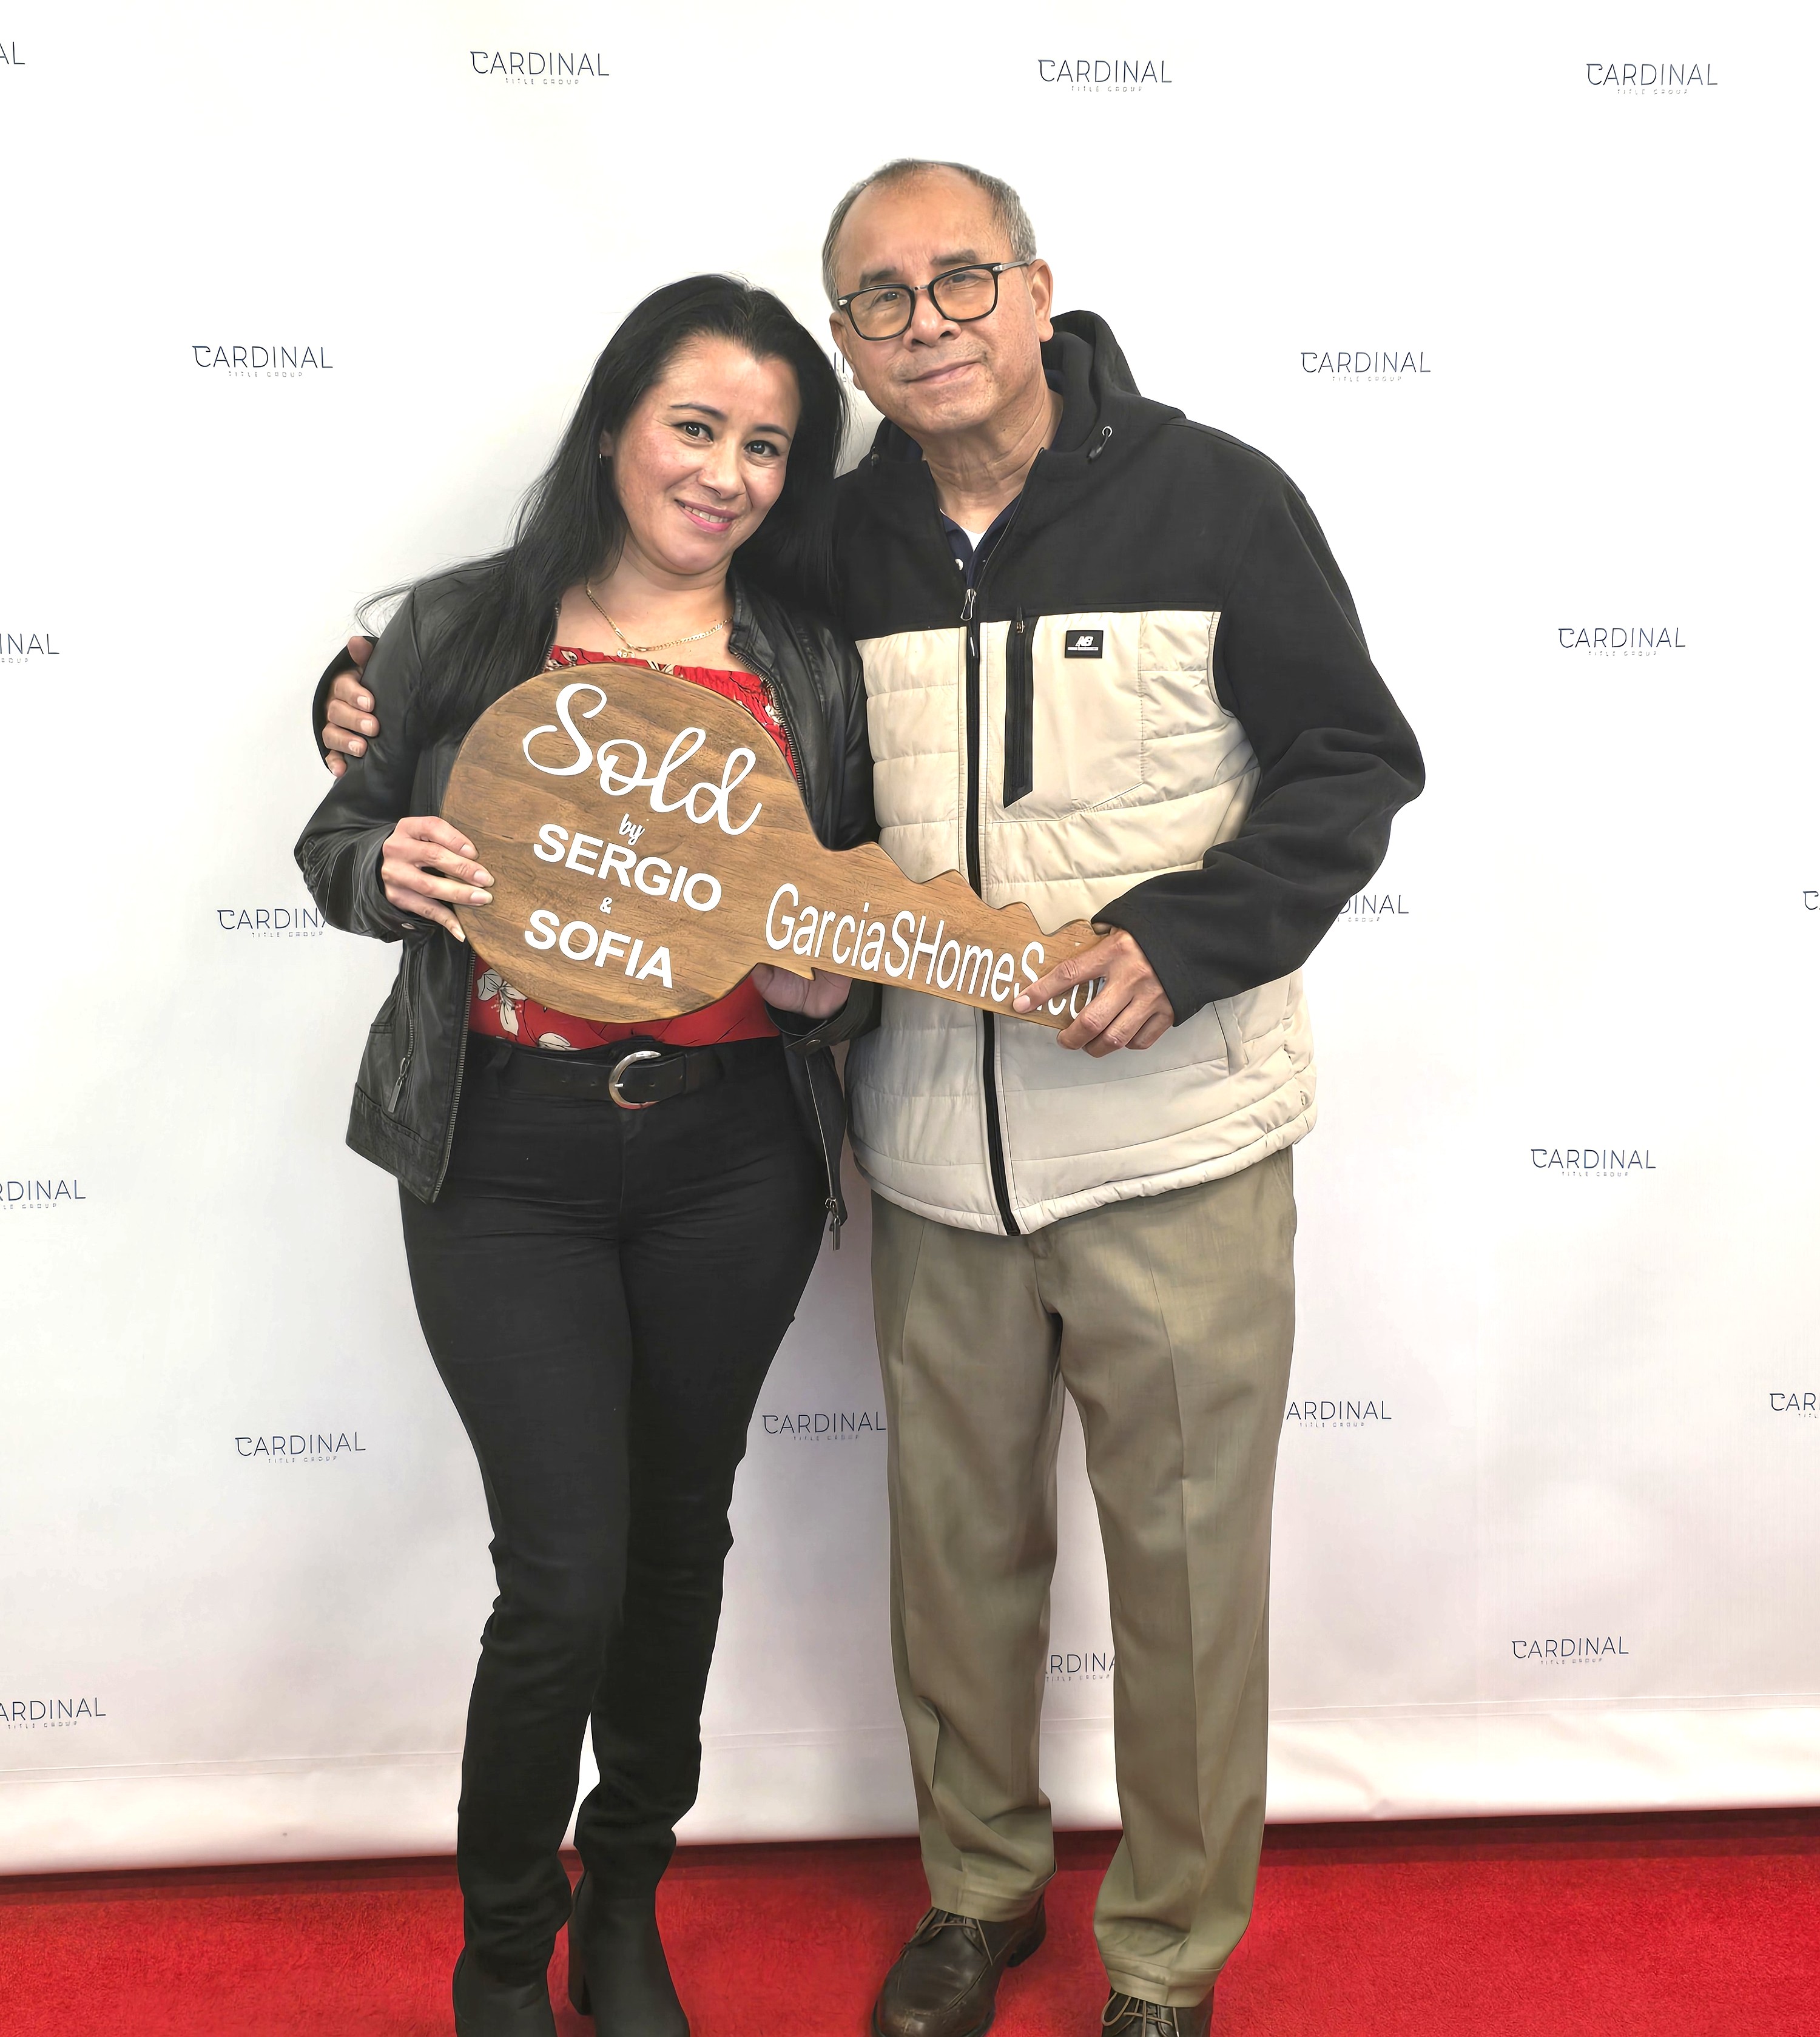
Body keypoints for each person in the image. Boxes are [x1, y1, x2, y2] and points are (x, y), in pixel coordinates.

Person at [317, 164, 1424, 2036]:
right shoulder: (830, 544)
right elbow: (558, 709)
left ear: (1039, 287)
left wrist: (1187, 941)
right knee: (948, 1561)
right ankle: (975, 1898)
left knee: (1177, 1571)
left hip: (1166, 1129)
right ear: (846, 339)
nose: (930, 325)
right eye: (883, 300)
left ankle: (1164, 1959)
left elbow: (1351, 758)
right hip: (919, 1150)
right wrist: (359, 692)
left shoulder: (1216, 498)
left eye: (962, 280)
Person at [296, 275, 872, 2037]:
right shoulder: (466, 628)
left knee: (677, 1549)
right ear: (616, 425)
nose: (725, 474)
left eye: (767, 447)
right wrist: (385, 864)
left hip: (730, 1161)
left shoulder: (808, 661)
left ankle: (625, 1908)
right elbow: (336, 845)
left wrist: (824, 980)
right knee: (563, 1580)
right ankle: (501, 1955)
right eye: (695, 427)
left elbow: (842, 923)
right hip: (505, 1159)